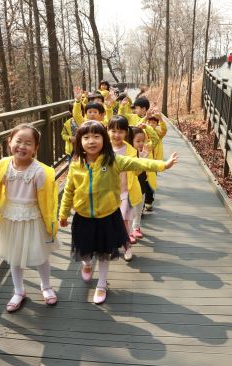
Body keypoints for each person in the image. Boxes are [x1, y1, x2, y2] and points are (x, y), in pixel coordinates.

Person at [59, 120, 178, 304]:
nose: (91, 141)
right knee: (85, 250)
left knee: (105, 252)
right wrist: (63, 213)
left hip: (107, 216)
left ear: (104, 139)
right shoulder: (76, 165)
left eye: (97, 136)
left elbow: (138, 161)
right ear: (79, 141)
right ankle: (88, 265)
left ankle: (101, 283)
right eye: (86, 137)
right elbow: (68, 190)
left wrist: (163, 164)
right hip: (83, 217)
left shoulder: (113, 160)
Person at [0, 124, 60, 313]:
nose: (22, 146)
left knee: (40, 255)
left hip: (32, 218)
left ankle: (46, 286)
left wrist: (50, 223)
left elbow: (47, 200)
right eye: (18, 141)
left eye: (28, 143)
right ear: (9, 142)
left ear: (35, 148)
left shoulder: (39, 171)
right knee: (14, 256)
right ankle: (19, 290)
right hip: (11, 217)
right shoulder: (3, 167)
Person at [107, 116, 158, 257]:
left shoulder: (130, 150)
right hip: (107, 193)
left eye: (121, 131)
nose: (117, 135)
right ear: (108, 130)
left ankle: (127, 246)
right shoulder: (103, 148)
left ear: (126, 133)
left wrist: (142, 159)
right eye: (113, 131)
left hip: (125, 192)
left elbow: (135, 172)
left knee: (124, 221)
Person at [130, 126, 153, 239]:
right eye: (137, 141)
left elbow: (156, 139)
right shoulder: (127, 154)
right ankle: (128, 230)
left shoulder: (144, 152)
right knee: (128, 209)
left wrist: (143, 158)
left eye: (142, 141)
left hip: (141, 184)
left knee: (139, 207)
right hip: (129, 186)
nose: (140, 144)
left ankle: (136, 227)